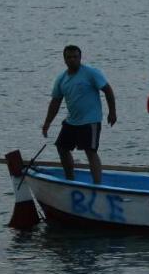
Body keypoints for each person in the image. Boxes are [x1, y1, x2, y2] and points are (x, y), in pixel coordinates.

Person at [41, 45, 117, 184]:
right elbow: (55, 103)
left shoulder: (91, 73)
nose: (72, 60)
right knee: (62, 147)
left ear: (80, 58)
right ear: (64, 59)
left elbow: (108, 91)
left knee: (90, 151)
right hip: (72, 121)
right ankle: (70, 180)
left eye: (75, 57)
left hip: (90, 120)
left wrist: (112, 112)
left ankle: (97, 185)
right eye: (69, 57)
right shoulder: (61, 79)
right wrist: (47, 123)